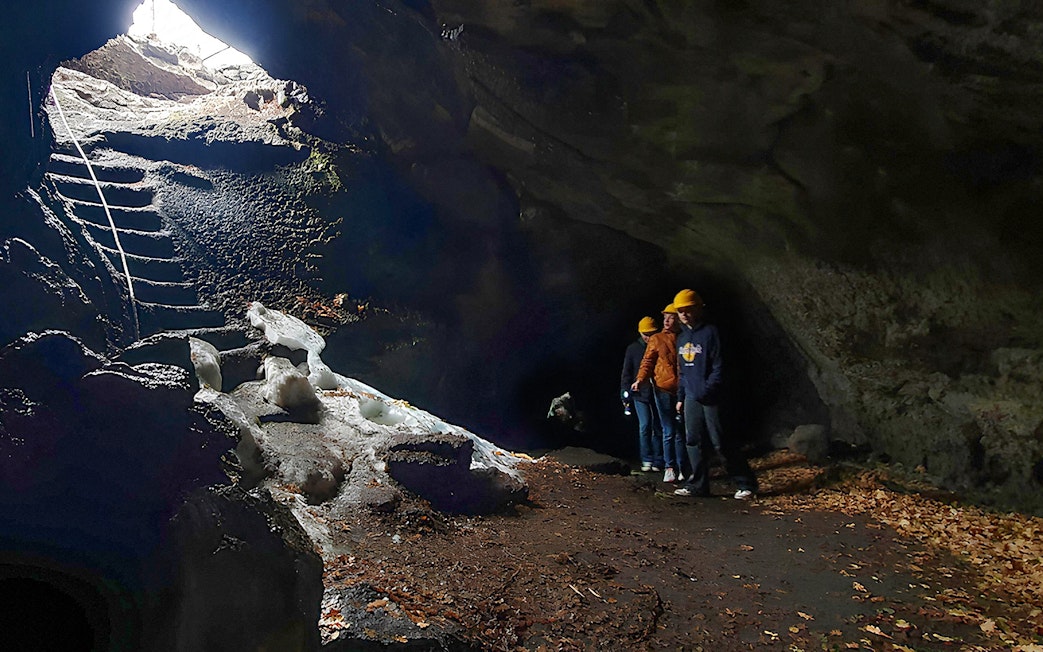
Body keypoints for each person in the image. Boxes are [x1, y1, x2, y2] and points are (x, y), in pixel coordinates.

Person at [671, 288, 758, 499]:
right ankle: (698, 485)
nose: (683, 314)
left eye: (688, 309)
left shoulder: (711, 333)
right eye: (680, 311)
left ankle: (745, 483)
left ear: (698, 308)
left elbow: (719, 366)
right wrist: (681, 397)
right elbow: (683, 370)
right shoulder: (682, 339)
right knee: (693, 440)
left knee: (720, 441)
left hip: (712, 397)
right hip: (692, 396)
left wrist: (709, 389)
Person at [632, 304, 684, 483]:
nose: (667, 321)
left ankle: (682, 466)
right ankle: (670, 467)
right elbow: (647, 361)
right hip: (662, 389)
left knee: (682, 431)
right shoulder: (657, 339)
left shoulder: (684, 338)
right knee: (668, 430)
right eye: (665, 318)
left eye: (671, 317)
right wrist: (640, 379)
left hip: (682, 390)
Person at [620, 316, 663, 472]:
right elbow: (627, 372)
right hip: (640, 394)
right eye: (645, 334)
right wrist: (625, 392)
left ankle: (659, 460)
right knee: (645, 426)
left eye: (651, 333)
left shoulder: (659, 345)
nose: (648, 337)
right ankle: (646, 459)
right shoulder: (633, 349)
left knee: (658, 427)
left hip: (657, 392)